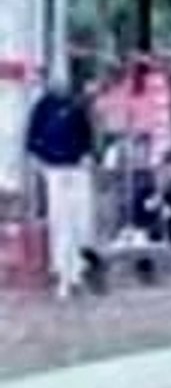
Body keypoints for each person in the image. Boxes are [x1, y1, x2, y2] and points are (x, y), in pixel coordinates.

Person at [26, 85, 97, 299]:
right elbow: (32, 141)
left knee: (81, 223)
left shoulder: (76, 104)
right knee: (61, 223)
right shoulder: (43, 106)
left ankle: (78, 272)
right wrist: (42, 165)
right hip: (55, 171)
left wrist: (87, 156)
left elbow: (87, 136)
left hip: (77, 170)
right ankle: (62, 275)